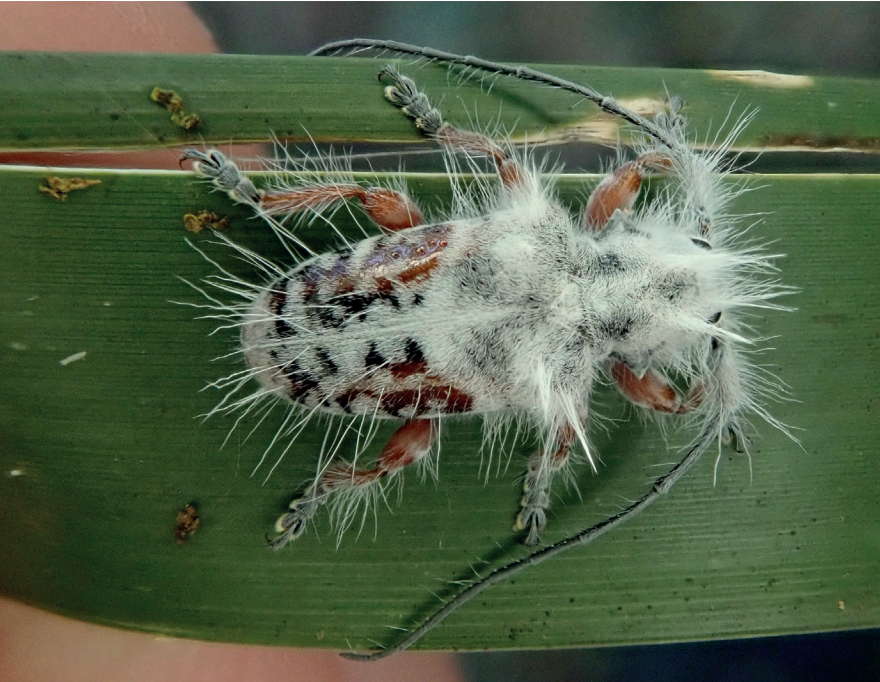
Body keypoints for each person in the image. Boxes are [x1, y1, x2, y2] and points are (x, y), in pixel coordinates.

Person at [0, 4, 465, 681]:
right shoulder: (558, 386)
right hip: (332, 352)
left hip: (328, 325)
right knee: (404, 450)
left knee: (381, 199)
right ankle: (318, 493)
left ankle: (253, 198)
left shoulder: (540, 266)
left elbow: (503, 163)